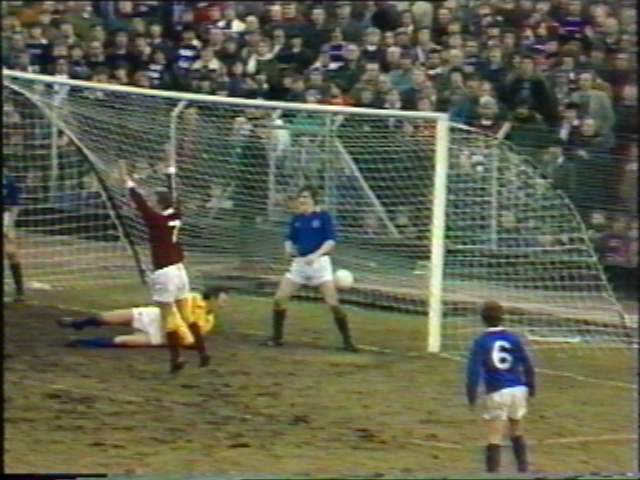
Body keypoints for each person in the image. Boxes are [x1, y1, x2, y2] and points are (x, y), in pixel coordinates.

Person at [121, 158, 207, 373]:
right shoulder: (176, 215)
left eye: (154, 200)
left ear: (159, 203)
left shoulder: (156, 221)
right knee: (186, 314)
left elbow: (140, 204)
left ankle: (176, 358)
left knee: (168, 315)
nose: (151, 203)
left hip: (165, 272)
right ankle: (202, 352)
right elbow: (174, 193)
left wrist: (128, 183)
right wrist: (170, 170)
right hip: (180, 270)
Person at [261, 186, 358, 352]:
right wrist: (288, 248)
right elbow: (289, 238)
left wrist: (316, 254)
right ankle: (277, 338)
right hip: (299, 265)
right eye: (300, 197)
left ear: (313, 200)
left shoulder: (323, 217)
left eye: (305, 197)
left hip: (320, 266)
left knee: (333, 304)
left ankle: (347, 342)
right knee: (279, 299)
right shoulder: (296, 219)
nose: (301, 200)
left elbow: (331, 241)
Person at [466, 300, 536, 473]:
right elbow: (527, 364)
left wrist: (471, 395)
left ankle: (492, 473)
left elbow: (473, 372)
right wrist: (531, 386)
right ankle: (523, 469)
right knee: (517, 429)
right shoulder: (513, 339)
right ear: (502, 317)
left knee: (495, 435)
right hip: (518, 389)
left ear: (482, 319)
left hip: (497, 390)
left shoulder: (481, 342)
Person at [56, 287, 228, 348]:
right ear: (212, 298)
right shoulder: (191, 299)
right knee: (107, 318)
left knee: (122, 341)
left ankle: (80, 342)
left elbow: (191, 339)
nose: (223, 305)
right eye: (222, 301)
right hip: (154, 317)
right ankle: (77, 324)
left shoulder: (209, 321)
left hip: (160, 336)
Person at [3, 173, 25, 302]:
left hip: (6, 217)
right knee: (11, 252)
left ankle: (19, 291)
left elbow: (15, 206)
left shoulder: (9, 181)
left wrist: (8, 225)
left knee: (11, 252)